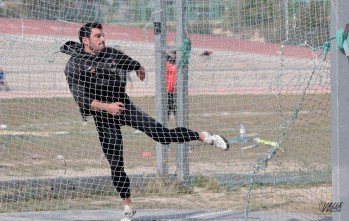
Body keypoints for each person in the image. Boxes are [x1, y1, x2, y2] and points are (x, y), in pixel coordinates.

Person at [60, 22, 229, 221]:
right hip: (103, 115)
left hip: (124, 107)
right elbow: (83, 101)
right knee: (116, 164)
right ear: (85, 40)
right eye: (98, 36)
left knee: (163, 136)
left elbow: (133, 63)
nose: (103, 39)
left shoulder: (111, 54)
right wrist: (107, 107)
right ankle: (128, 207)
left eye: (103, 35)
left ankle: (204, 136)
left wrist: (140, 69)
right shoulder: (74, 65)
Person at [165, 39, 177, 119]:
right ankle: (163, 130)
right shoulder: (164, 59)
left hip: (177, 91)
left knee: (178, 113)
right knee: (166, 112)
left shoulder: (179, 58)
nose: (172, 49)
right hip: (167, 91)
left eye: (174, 47)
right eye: (170, 47)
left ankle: (181, 130)